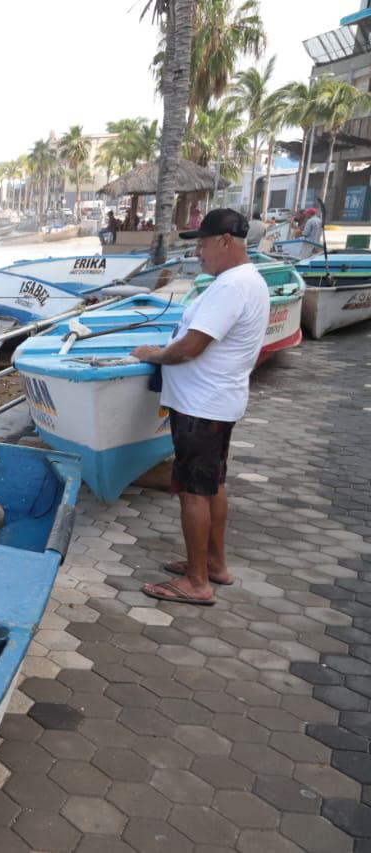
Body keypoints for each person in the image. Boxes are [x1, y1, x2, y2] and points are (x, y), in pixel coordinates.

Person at [129, 209, 269, 606]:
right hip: (218, 401)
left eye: (203, 244)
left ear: (226, 240)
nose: (198, 253)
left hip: (201, 407)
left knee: (193, 492)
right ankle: (214, 564)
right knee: (213, 486)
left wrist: (153, 354)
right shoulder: (249, 281)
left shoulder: (230, 288)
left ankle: (196, 583)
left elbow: (190, 347)